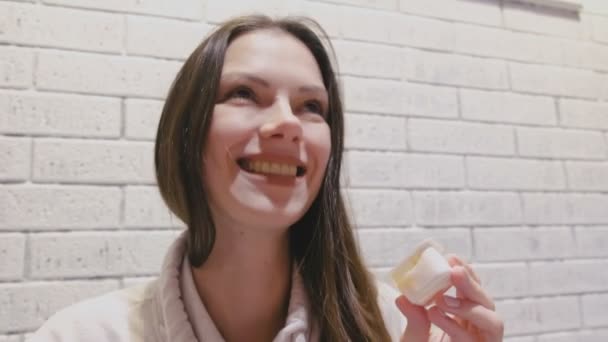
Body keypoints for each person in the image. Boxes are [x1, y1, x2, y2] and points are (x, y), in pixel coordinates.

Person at [28, 15, 503, 342]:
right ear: (185, 133)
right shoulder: (81, 335)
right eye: (243, 93)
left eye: (311, 107)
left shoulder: (397, 326)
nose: (288, 123)